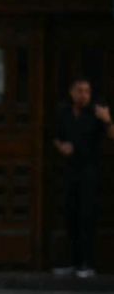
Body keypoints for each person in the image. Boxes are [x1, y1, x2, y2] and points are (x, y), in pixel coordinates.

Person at [53, 77, 114, 279]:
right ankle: (73, 261)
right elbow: (55, 136)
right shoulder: (64, 112)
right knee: (70, 215)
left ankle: (87, 264)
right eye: (79, 91)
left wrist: (107, 120)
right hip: (70, 170)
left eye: (87, 91)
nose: (83, 95)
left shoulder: (96, 112)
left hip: (90, 170)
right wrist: (62, 147)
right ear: (71, 93)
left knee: (87, 216)